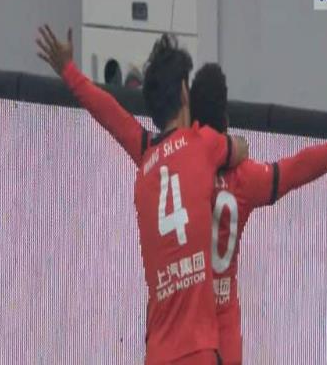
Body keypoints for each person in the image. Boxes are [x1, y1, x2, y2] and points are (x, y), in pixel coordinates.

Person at [36, 26, 248, 364]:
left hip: (159, 351)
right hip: (198, 348)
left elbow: (110, 113)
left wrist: (68, 70)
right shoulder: (203, 145)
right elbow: (240, 149)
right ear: (184, 92)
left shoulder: (147, 151)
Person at [189, 63, 327, 364]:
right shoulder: (245, 178)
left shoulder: (176, 170)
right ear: (226, 121)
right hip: (223, 333)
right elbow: (298, 168)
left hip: (185, 328)